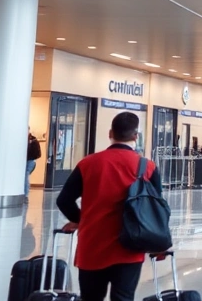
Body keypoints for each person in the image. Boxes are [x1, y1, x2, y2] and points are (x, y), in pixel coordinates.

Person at [56, 112, 164, 301]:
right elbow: (157, 208)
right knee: (123, 297)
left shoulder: (88, 163)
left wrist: (80, 220)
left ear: (110, 133)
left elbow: (63, 200)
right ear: (135, 136)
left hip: (92, 245)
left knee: (90, 297)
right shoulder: (148, 167)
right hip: (130, 246)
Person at [26, 130, 41, 201]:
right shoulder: (33, 140)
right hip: (31, 161)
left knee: (26, 176)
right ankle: (25, 194)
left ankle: (25, 194)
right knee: (26, 176)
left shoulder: (33, 141)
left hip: (30, 160)